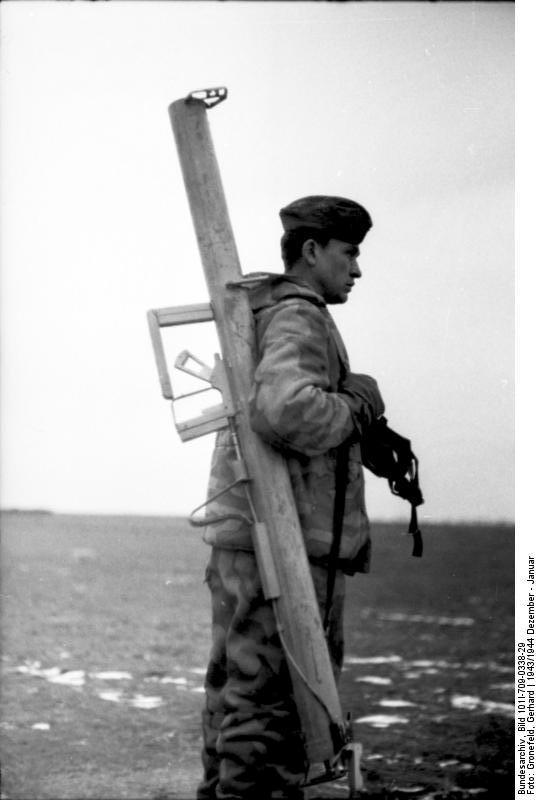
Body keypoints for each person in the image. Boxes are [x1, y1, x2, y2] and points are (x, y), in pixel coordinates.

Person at [197, 196, 385, 800]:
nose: (356, 270)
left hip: (249, 535)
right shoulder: (299, 315)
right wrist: (358, 405)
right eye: (349, 253)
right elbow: (285, 411)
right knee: (273, 710)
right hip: (284, 548)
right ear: (312, 251)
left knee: (237, 698)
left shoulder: (263, 310)